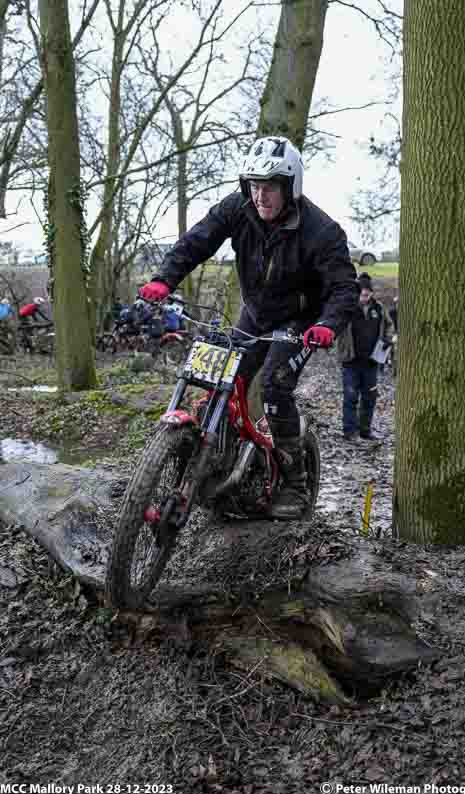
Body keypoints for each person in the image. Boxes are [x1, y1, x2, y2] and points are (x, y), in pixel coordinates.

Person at [139, 135, 358, 519]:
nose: (261, 197)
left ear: (291, 186)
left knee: (274, 385)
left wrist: (327, 325)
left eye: (271, 186)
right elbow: (196, 242)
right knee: (217, 378)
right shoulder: (237, 209)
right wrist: (164, 280)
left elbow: (344, 288)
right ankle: (217, 459)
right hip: (255, 313)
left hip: (301, 322)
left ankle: (295, 483)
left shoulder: (321, 231)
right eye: (255, 186)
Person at [336, 273, 393, 442]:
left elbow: (389, 325)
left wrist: (387, 339)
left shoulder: (379, 308)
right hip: (351, 360)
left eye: (368, 294)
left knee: (369, 398)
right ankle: (349, 432)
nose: (364, 297)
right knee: (351, 396)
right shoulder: (348, 308)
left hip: (372, 361)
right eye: (362, 293)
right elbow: (336, 323)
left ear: (372, 293)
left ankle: (365, 430)